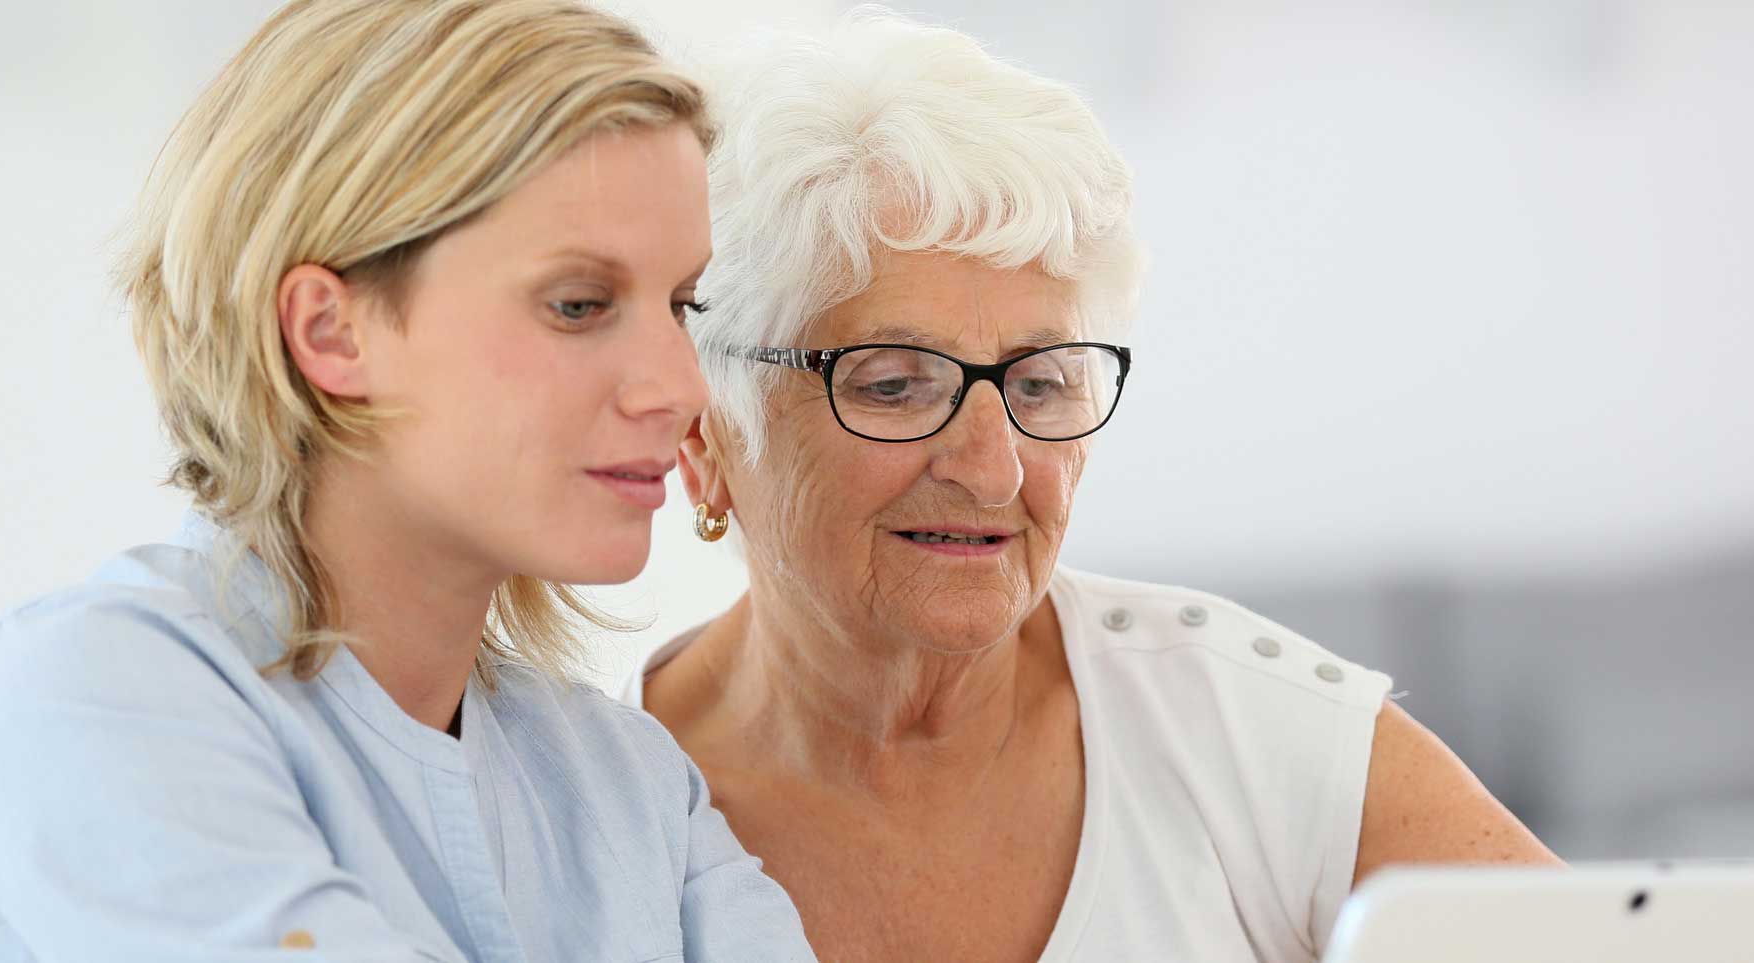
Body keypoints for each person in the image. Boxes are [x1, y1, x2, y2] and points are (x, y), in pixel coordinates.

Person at [624, 11, 1559, 962]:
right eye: (895, 383)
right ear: (709, 431)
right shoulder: (581, 802)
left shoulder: (1246, 733)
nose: (995, 472)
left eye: (1038, 383)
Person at [0, 1, 810, 959]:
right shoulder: (86, 698)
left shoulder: (632, 784)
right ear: (331, 330)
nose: (679, 386)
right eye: (579, 304)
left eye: (680, 304)